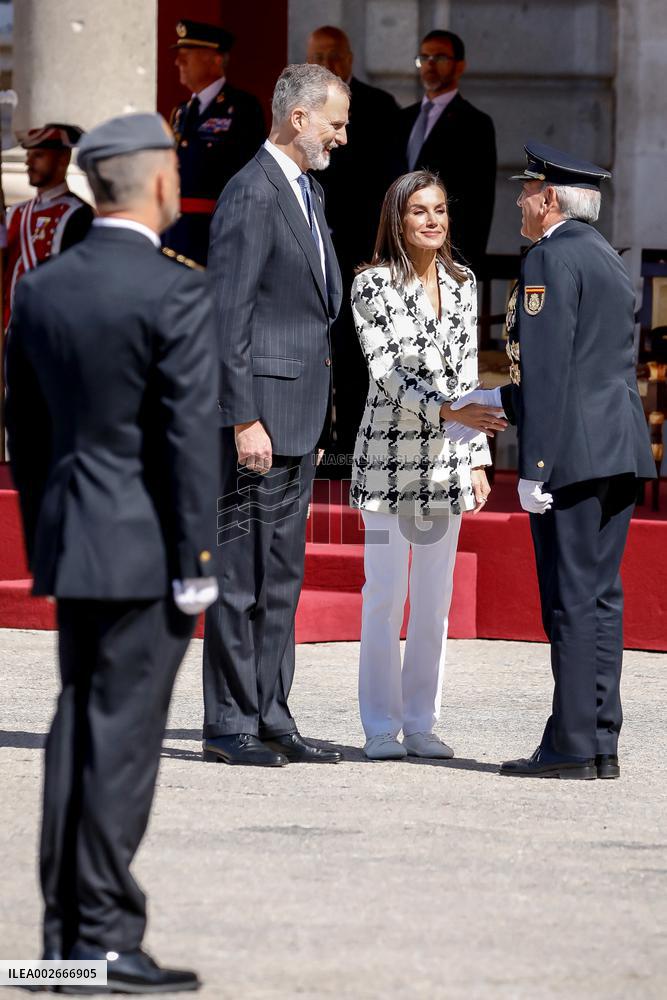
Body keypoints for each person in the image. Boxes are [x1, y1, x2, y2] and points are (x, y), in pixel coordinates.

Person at [5, 112, 219, 990]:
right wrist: (199, 561)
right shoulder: (176, 290)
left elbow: (26, 428)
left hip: (75, 537)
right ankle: (100, 939)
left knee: (77, 734)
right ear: (160, 182)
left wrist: (50, 532)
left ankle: (64, 936)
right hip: (144, 551)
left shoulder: (44, 288)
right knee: (121, 746)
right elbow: (186, 440)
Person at [456, 142, 655, 780]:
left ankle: (572, 743)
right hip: (616, 448)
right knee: (599, 597)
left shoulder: (549, 257)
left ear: (549, 200)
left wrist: (533, 467)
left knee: (570, 601)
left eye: (527, 190)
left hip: (569, 453)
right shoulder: (603, 257)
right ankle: (599, 737)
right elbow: (588, 366)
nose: (519, 200)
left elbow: (549, 370)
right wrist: (497, 397)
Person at [202, 64, 349, 767]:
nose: (341, 137)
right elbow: (227, 316)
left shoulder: (308, 191)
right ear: (298, 117)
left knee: (282, 579)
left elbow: (311, 312)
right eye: (335, 123)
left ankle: (270, 714)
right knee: (239, 580)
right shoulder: (251, 192)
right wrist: (242, 418)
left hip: (297, 419)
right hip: (255, 423)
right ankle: (228, 723)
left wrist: (315, 424)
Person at [350, 170, 506, 761]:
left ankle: (420, 722)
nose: (433, 221)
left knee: (434, 602)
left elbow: (470, 378)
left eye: (440, 209)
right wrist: (449, 412)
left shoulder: (464, 283)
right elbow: (387, 374)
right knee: (385, 597)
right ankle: (379, 728)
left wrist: (476, 457)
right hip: (390, 461)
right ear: (398, 218)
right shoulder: (372, 285)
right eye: (420, 211)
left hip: (448, 461)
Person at [307, 25, 400, 477]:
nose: (326, 61)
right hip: (309, 248)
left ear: (349, 57)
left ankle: (350, 450)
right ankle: (317, 445)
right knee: (313, 348)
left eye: (333, 54)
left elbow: (391, 186)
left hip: (359, 250)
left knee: (354, 351)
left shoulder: (379, 107)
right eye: (316, 55)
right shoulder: (298, 109)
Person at [162, 19, 266, 266]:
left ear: (215, 59)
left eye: (186, 56)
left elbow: (251, 175)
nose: (178, 62)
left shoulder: (242, 107)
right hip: (176, 231)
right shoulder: (181, 112)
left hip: (217, 232)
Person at [396, 30, 496, 275]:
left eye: (440, 58)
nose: (430, 64)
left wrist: (465, 262)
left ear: (459, 66)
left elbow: (480, 199)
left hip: (446, 252)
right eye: (424, 58)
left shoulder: (475, 123)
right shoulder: (401, 119)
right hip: (398, 247)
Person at [4, 123, 93, 330]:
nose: (28, 162)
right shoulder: (16, 212)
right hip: (12, 328)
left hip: (50, 329)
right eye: (29, 155)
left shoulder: (78, 213)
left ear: (63, 159)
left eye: (38, 155)